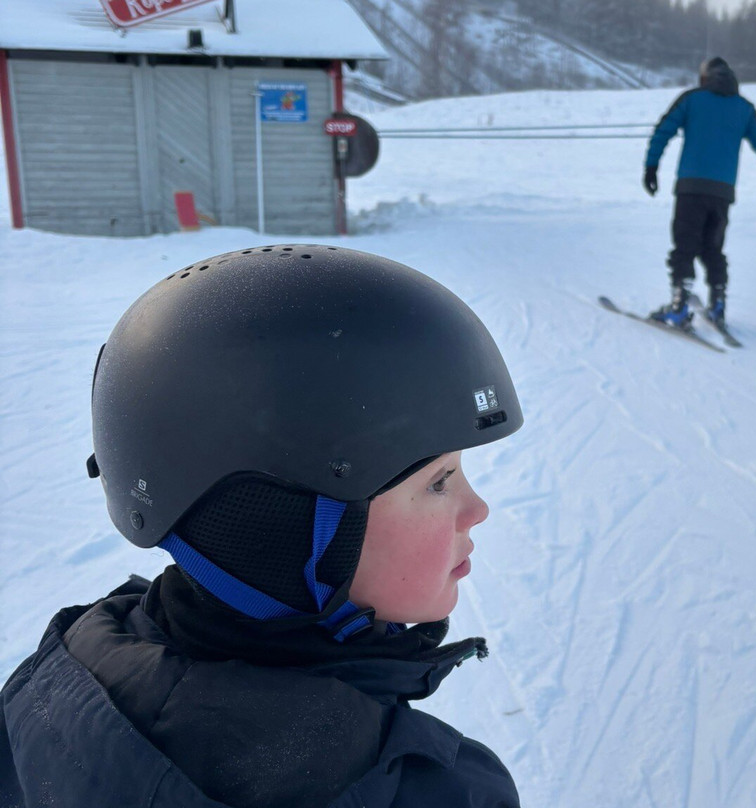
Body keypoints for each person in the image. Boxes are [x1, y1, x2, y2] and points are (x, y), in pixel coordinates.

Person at [0, 245, 524, 808]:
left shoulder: (63, 672)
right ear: (283, 521)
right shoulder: (419, 789)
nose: (477, 510)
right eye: (438, 482)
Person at [643, 56, 756, 327]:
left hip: (690, 187)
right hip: (722, 192)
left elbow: (664, 130)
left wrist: (651, 166)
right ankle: (718, 305)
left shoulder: (691, 99)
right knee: (712, 248)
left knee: (684, 246)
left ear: (706, 77)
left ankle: (678, 307)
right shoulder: (744, 108)